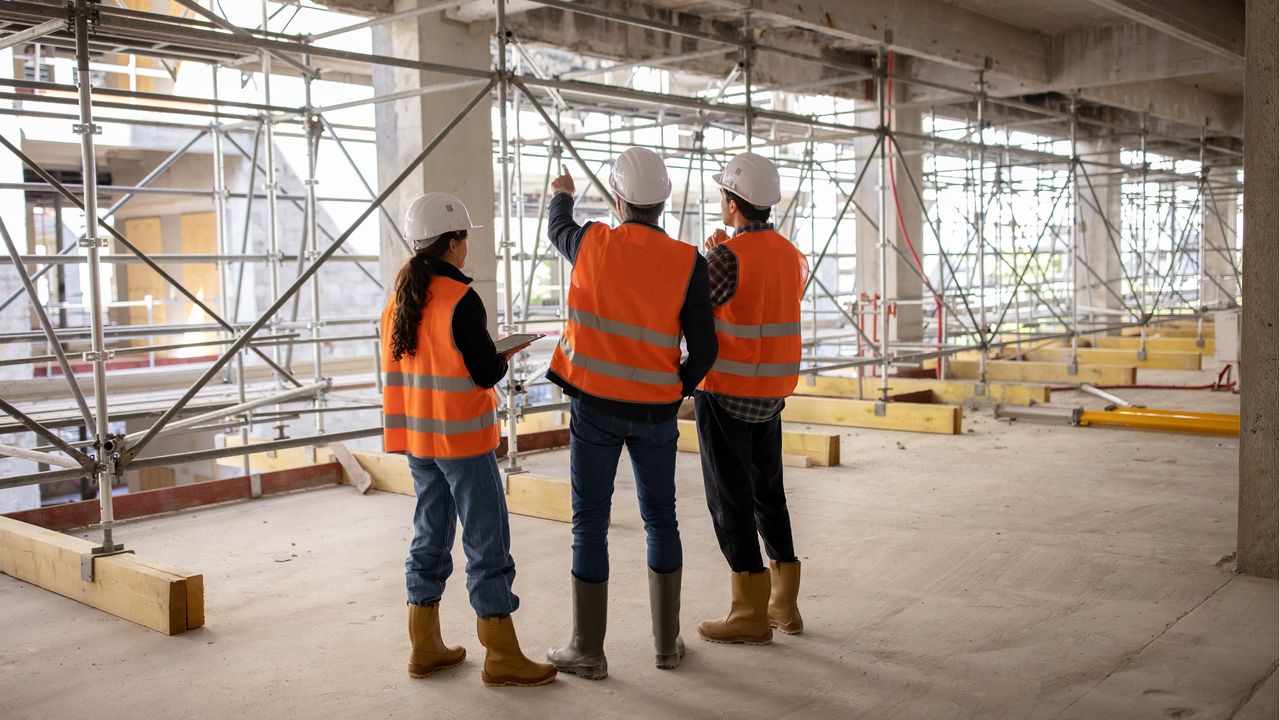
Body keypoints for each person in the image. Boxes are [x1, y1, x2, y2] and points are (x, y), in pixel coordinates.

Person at [543, 148, 717, 679]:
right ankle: (667, 646)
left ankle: (588, 652)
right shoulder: (689, 262)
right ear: (664, 201)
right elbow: (705, 350)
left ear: (618, 200)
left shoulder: (592, 242)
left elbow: (558, 226)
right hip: (655, 414)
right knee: (660, 520)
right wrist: (673, 387)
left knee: (589, 524)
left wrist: (563, 191)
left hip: (593, 408)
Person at [380, 191, 557, 688]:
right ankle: (501, 654)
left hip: (418, 439)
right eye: (464, 238)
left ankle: (425, 645)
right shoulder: (461, 298)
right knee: (487, 545)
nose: (466, 247)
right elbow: (483, 372)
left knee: (428, 537)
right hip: (461, 440)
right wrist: (505, 354)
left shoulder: (399, 299)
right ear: (453, 242)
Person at [694, 152, 809, 646]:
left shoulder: (725, 255)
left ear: (734, 203)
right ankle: (786, 606)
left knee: (730, 500)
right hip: (771, 392)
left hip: (726, 392)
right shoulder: (789, 252)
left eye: (723, 195)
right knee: (769, 495)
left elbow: (699, 305)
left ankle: (748, 612)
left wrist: (708, 256)